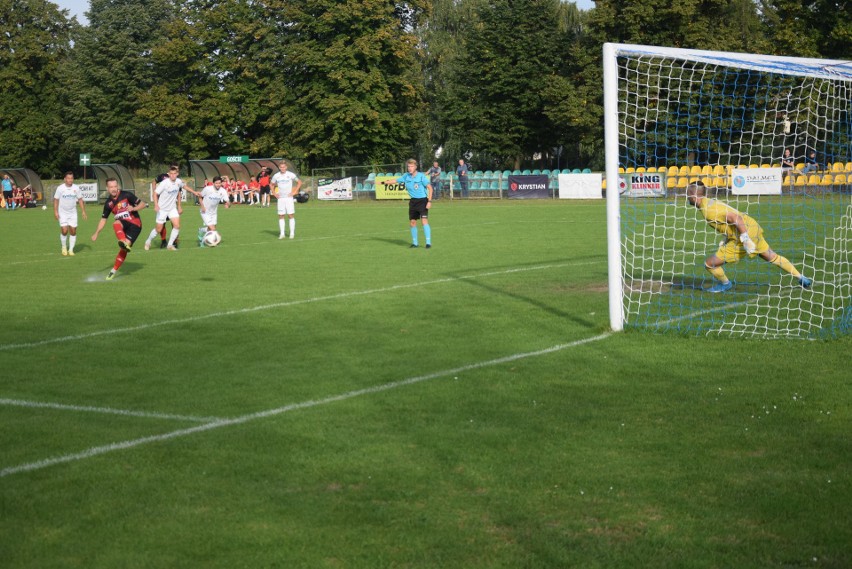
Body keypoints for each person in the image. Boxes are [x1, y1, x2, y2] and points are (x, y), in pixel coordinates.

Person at [686, 181, 811, 292]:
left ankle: (725, 284)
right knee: (771, 256)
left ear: (694, 196)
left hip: (743, 235)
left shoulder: (709, 211)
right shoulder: (709, 202)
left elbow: (735, 218)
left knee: (710, 264)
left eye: (688, 195)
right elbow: (728, 221)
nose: (687, 198)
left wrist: (745, 239)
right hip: (752, 227)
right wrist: (726, 239)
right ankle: (801, 277)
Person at [91, 178, 147, 280]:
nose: (113, 189)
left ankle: (114, 269)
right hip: (122, 224)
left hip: (135, 225)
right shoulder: (108, 204)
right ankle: (113, 270)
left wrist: (133, 208)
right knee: (116, 223)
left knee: (124, 249)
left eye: (115, 186)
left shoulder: (126, 195)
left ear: (118, 186)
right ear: (107, 188)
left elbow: (143, 204)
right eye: (111, 187)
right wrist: (96, 233)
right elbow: (103, 219)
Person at [143, 165, 185, 250]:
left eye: (175, 172)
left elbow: (183, 187)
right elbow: (155, 193)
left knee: (176, 225)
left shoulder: (178, 181)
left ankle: (170, 245)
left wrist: (194, 192)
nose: (173, 174)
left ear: (177, 173)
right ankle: (148, 241)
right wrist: (156, 205)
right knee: (159, 229)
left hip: (172, 208)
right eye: (171, 173)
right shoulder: (164, 182)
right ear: (169, 174)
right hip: (162, 209)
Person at [395, 158, 433, 248]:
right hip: (413, 202)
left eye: (412, 166)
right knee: (412, 222)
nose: (410, 168)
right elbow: (396, 180)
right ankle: (415, 243)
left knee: (424, 222)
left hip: (423, 201)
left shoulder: (421, 176)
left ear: (415, 167)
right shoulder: (406, 176)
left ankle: (428, 243)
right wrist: (382, 182)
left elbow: (430, 188)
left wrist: (429, 201)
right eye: (408, 166)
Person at [184, 176, 229, 246]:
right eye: (216, 183)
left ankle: (201, 230)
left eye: (219, 183)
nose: (218, 185)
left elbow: (227, 202)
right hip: (205, 211)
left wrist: (227, 204)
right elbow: (200, 196)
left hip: (214, 213)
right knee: (213, 229)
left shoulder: (223, 191)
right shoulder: (208, 189)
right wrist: (202, 206)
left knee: (210, 229)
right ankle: (202, 242)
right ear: (213, 183)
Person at [53, 171, 88, 256]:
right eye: (68, 178)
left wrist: (83, 211)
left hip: (73, 213)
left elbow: (80, 199)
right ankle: (64, 247)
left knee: (73, 231)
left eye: (71, 178)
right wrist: (55, 211)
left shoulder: (76, 188)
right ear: (65, 179)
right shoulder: (60, 188)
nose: (70, 180)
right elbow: (56, 200)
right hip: (63, 213)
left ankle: (71, 250)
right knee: (64, 231)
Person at [271, 162, 302, 239]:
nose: (282, 168)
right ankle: (282, 234)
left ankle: (292, 233)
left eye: (284, 167)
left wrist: (294, 192)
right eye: (281, 167)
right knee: (281, 215)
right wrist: (274, 193)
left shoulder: (290, 174)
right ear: (279, 168)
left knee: (290, 215)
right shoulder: (276, 176)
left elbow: (299, 182)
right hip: (280, 198)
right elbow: (271, 184)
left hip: (289, 198)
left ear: (286, 167)